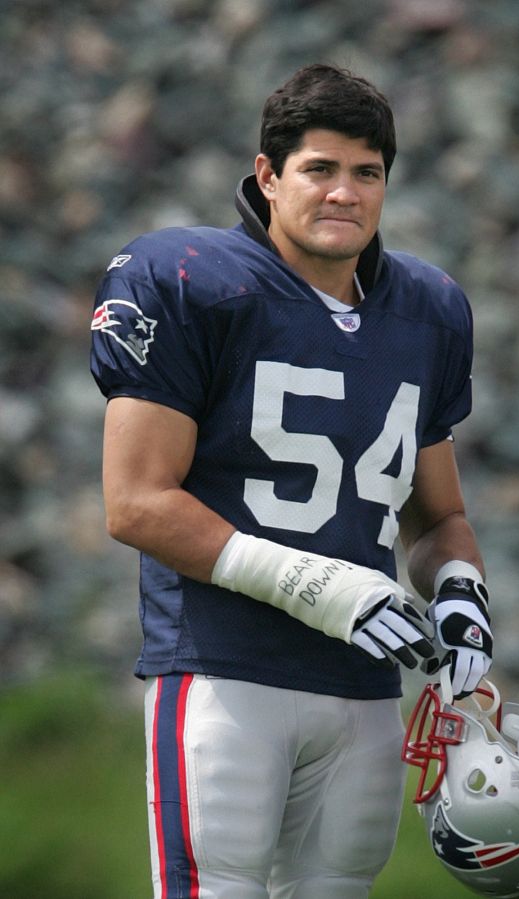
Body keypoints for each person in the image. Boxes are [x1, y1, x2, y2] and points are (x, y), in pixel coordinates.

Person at [90, 63, 493, 899]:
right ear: (268, 176)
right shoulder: (191, 279)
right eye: (320, 168)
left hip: (363, 689)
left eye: (366, 172)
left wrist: (460, 593)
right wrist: (324, 587)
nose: (344, 192)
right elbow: (135, 503)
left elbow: (440, 514)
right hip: (227, 672)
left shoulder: (428, 308)